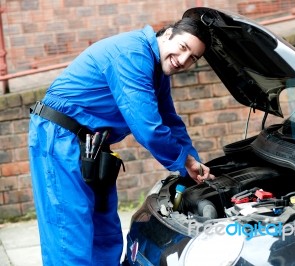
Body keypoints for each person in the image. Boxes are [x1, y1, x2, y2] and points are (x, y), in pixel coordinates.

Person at [28, 17, 214, 265]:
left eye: (193, 57)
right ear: (168, 33)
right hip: (60, 138)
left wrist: (192, 165)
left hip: (92, 147)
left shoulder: (156, 70)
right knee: (69, 234)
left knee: (105, 233)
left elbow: (169, 119)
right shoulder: (132, 54)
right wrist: (184, 160)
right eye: (182, 47)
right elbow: (148, 127)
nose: (183, 60)